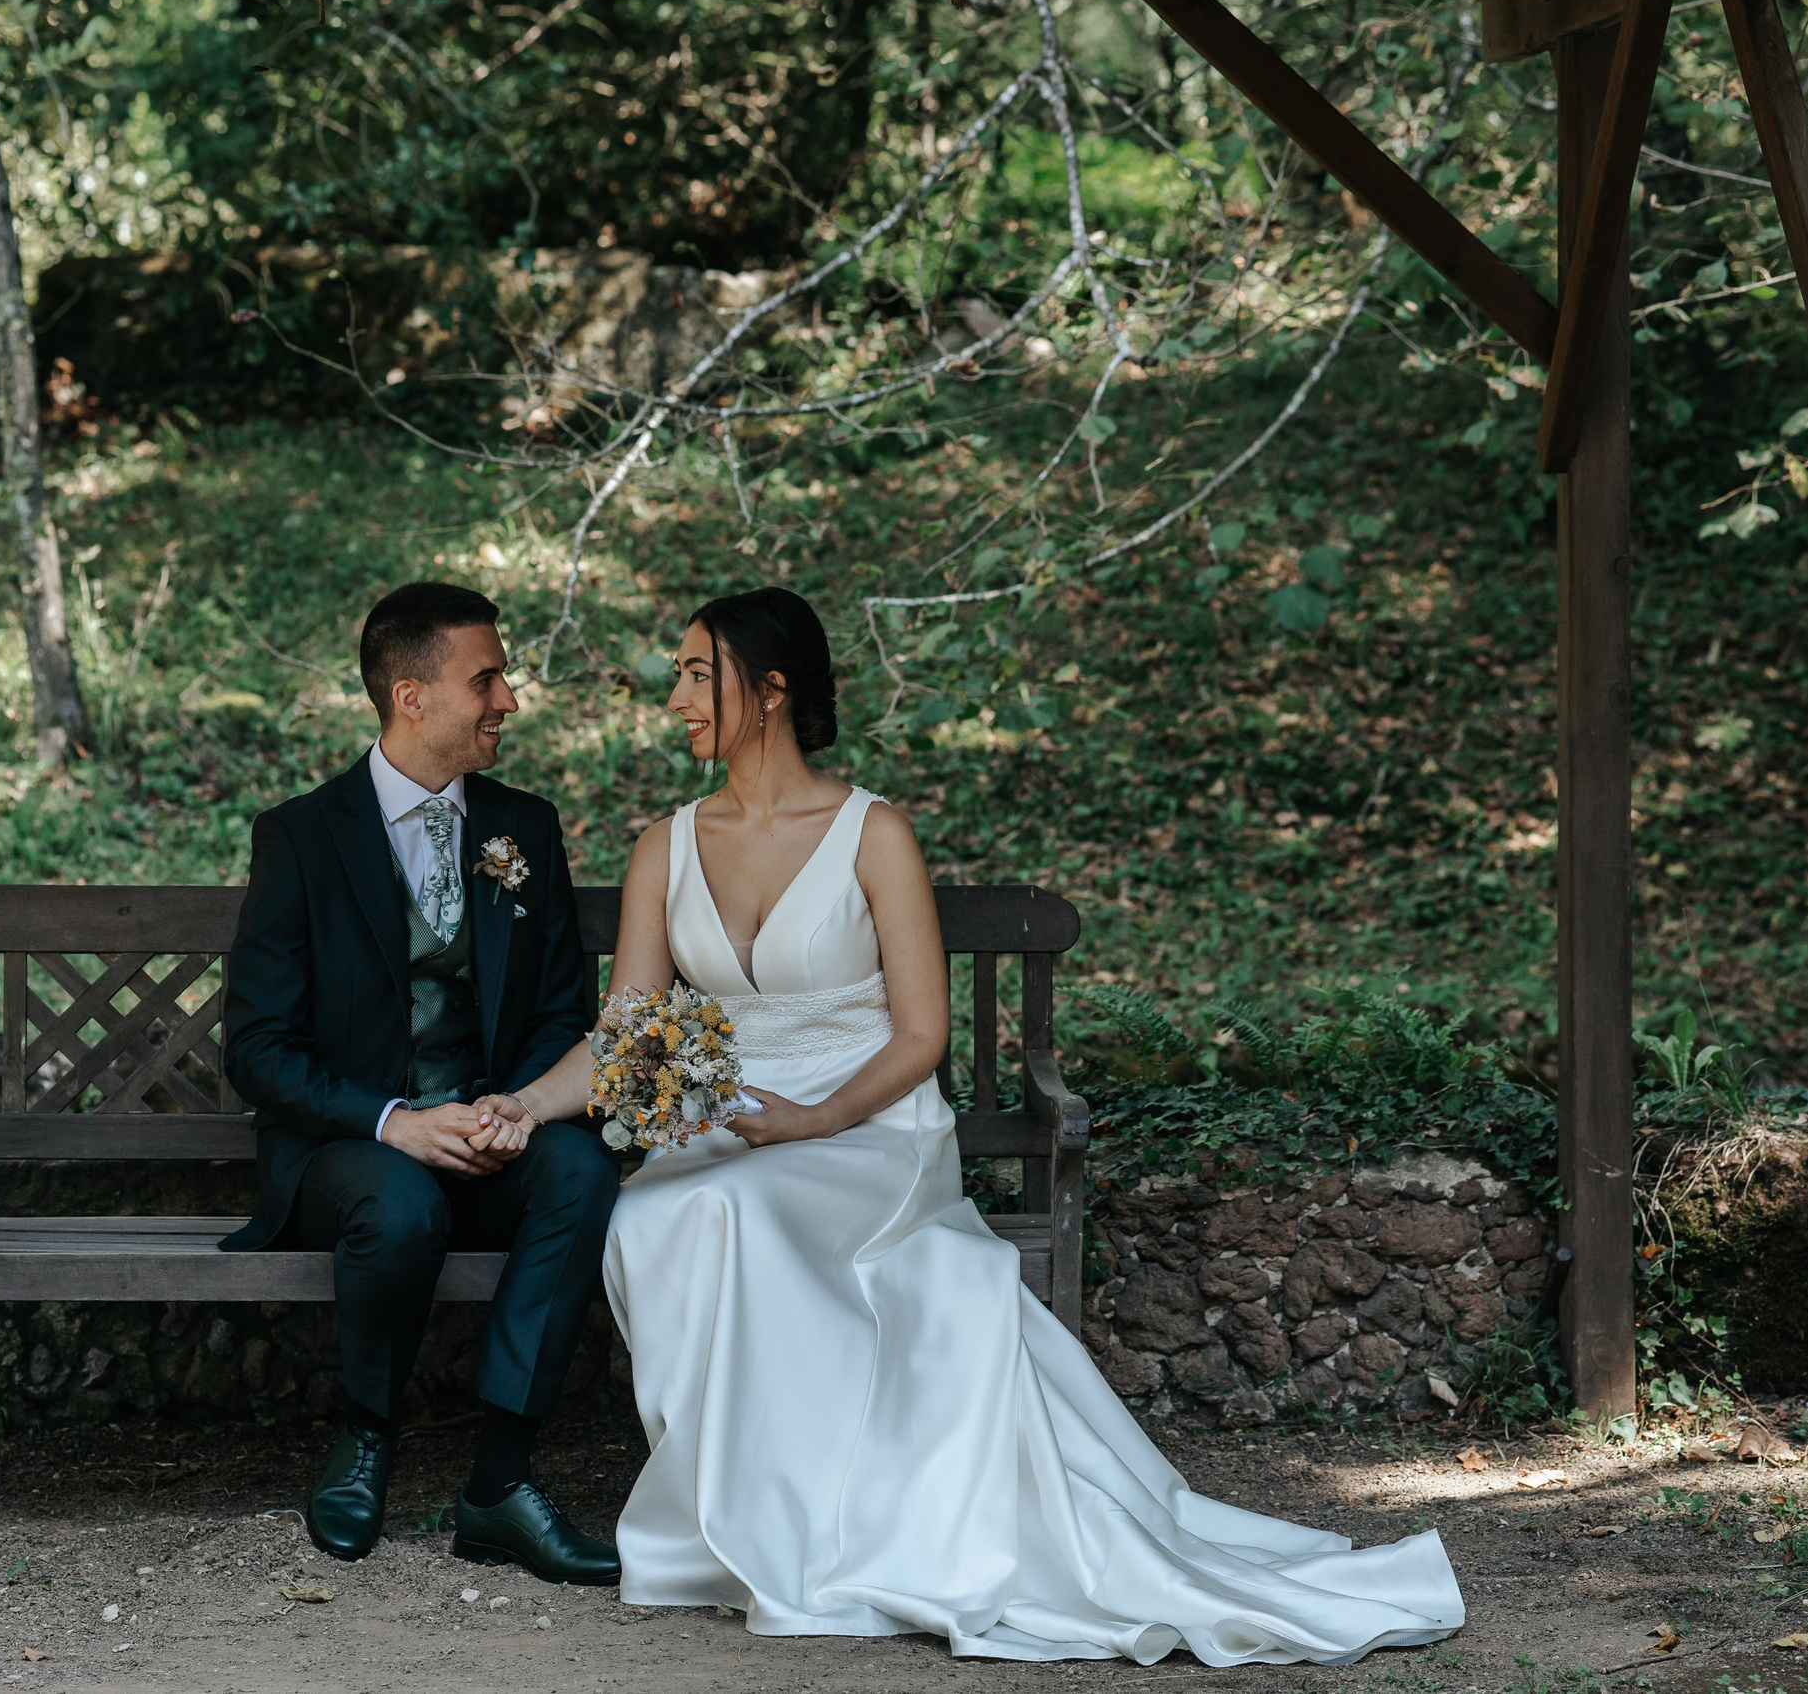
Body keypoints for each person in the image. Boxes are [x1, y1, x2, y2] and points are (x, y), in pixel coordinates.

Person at [473, 587, 1466, 1662]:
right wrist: (521, 1105)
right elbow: (627, 1033)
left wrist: (815, 1118)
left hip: (866, 1127)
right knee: (655, 1216)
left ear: (773, 690)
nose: (675, 697)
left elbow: (921, 1035)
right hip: (735, 1126)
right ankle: (759, 1514)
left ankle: (812, 1529)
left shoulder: (872, 834)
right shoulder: (666, 845)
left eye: (697, 673)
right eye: (678, 674)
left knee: (726, 1209)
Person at [217, 581, 618, 1585]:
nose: (507, 700)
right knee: (400, 1206)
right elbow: (258, 1047)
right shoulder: (302, 836)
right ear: (412, 696)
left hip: (488, 1131)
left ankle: (501, 1480)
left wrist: (509, 1108)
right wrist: (394, 1120)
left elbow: (560, 1011)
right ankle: (365, 1437)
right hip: (350, 1150)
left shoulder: (525, 828)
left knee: (580, 1170)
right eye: (486, 680)